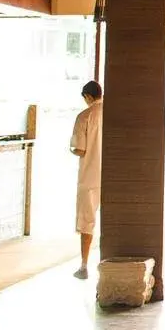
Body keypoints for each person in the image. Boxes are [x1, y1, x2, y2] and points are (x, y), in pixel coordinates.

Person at [71, 80, 103, 279]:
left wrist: (72, 150)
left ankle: (84, 266)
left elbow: (80, 149)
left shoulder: (84, 116)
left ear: (88, 96)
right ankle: (107, 264)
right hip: (108, 175)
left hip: (89, 176)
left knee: (86, 221)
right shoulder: (111, 113)